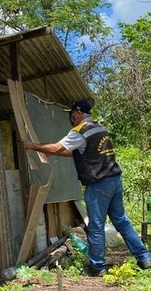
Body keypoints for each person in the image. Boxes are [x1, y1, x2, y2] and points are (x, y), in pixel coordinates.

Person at [22, 100, 151, 276]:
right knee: (122, 221)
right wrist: (50, 151)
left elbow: (59, 147)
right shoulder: (98, 128)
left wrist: (32, 146)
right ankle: (145, 257)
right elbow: (73, 150)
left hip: (98, 184)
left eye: (73, 113)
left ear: (80, 113)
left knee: (96, 226)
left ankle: (97, 267)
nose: (71, 117)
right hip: (114, 180)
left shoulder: (79, 130)